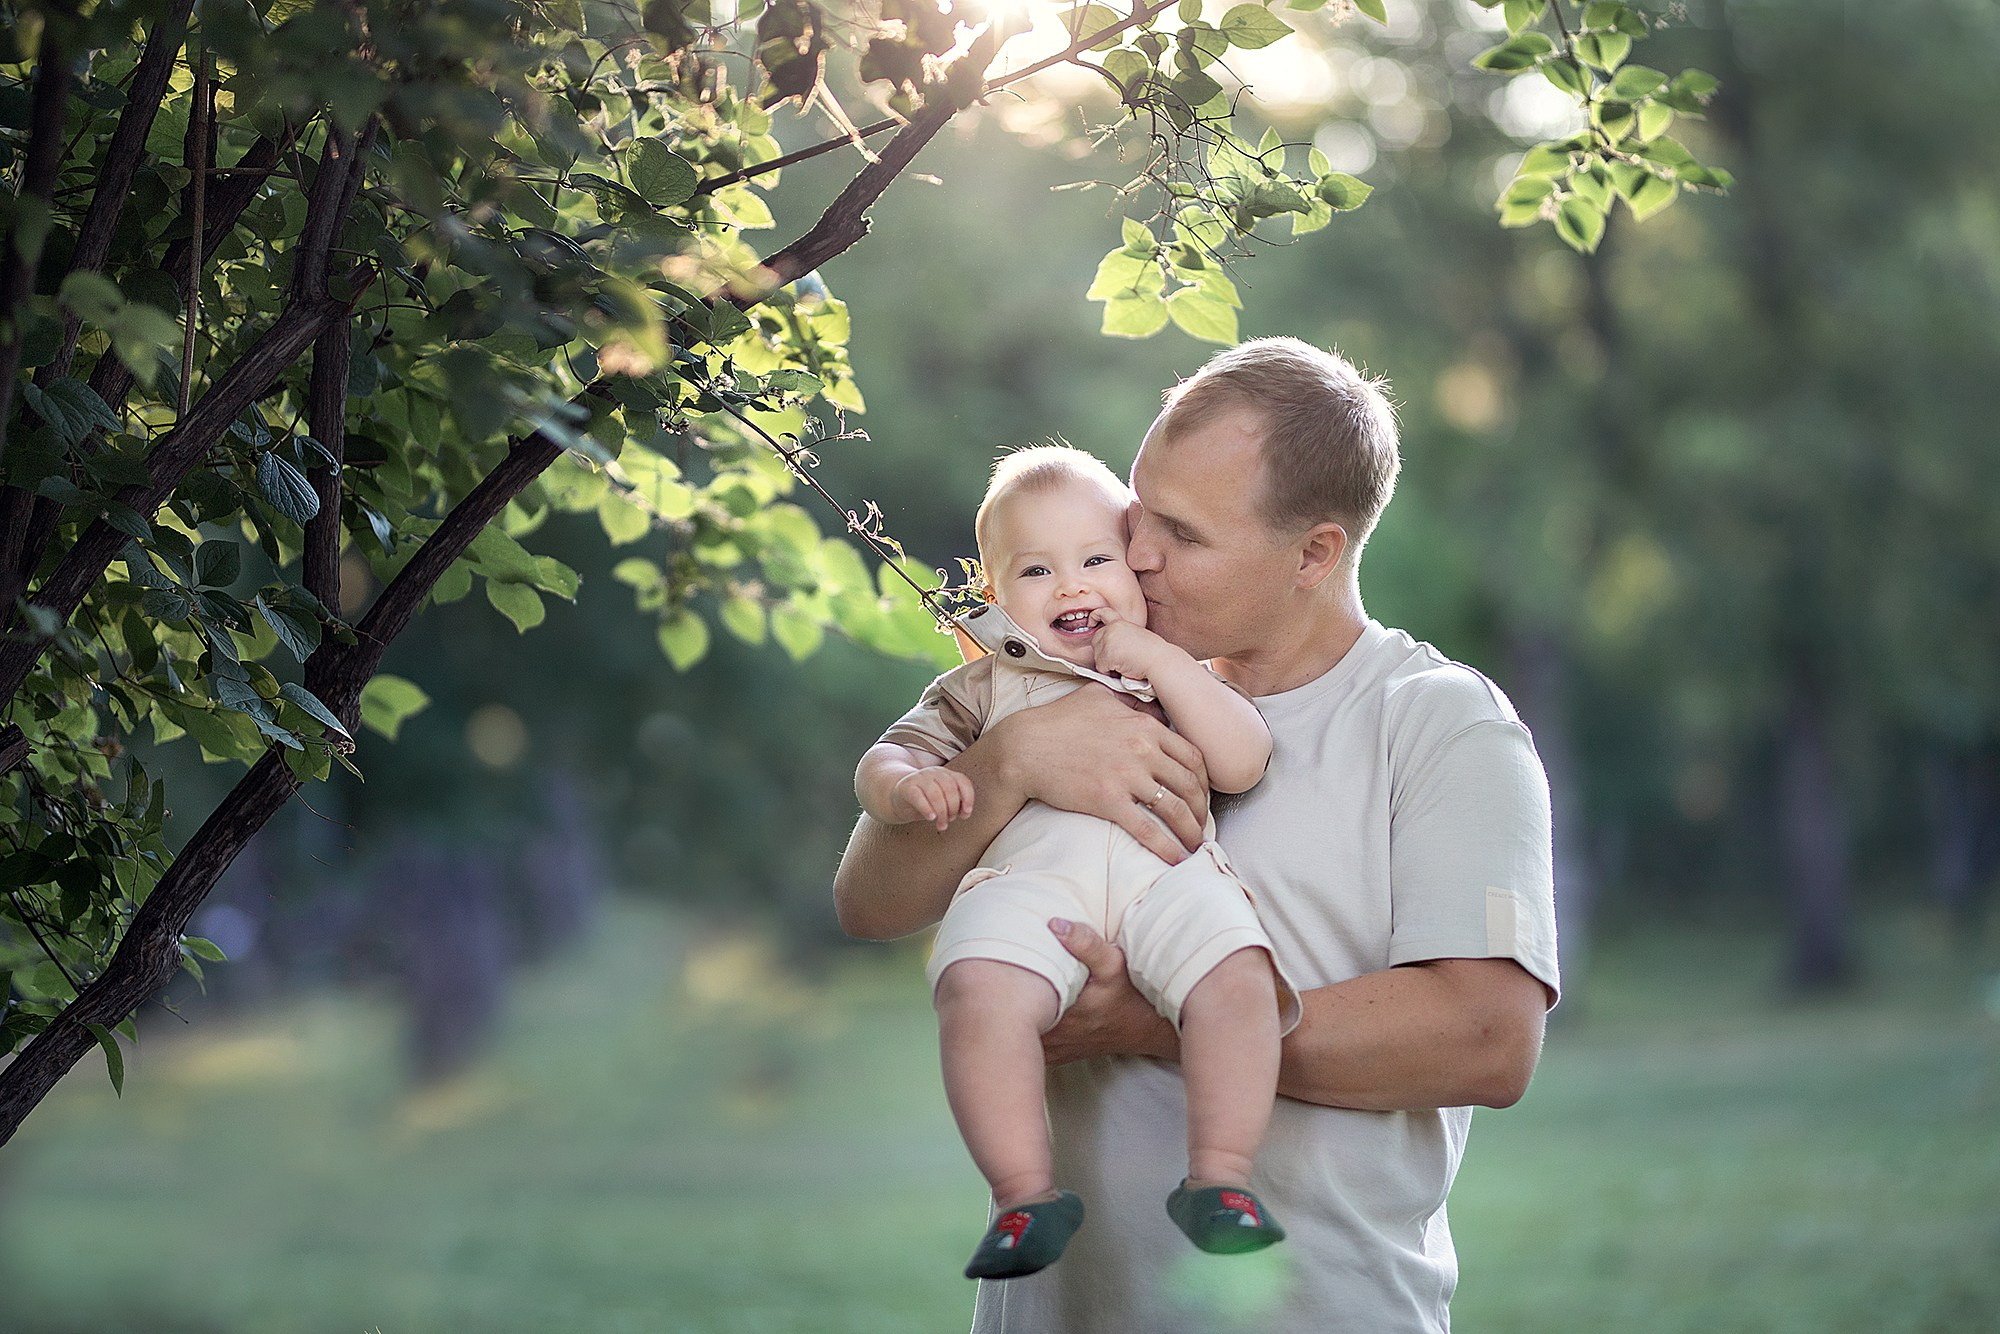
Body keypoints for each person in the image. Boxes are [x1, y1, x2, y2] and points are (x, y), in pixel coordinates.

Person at [834, 337, 1560, 1332]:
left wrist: (1146, 1018)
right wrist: (1008, 765)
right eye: (1137, 512)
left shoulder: (1436, 722)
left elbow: (1486, 1039)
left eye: (1179, 533)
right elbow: (868, 902)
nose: (1133, 555)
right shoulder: (1077, 692)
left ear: (1312, 553)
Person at [855, 445, 1302, 1281]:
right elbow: (888, 757)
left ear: (1136, 573)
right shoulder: (983, 686)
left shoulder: (1173, 670)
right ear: (994, 599)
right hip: (1035, 886)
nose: (1072, 585)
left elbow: (1243, 759)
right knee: (976, 988)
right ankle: (1025, 1195)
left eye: (1096, 559)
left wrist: (1165, 662)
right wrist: (907, 791)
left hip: (1165, 876)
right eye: (1036, 571)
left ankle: (1222, 1178)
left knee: (1238, 975)